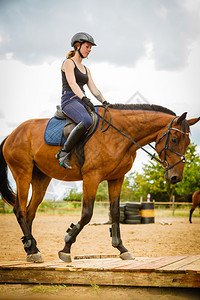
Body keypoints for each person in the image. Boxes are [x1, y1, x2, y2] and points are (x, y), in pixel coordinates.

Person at [56, 32, 109, 169]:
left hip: (80, 101)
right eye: (87, 47)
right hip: (69, 100)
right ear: (77, 46)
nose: (89, 50)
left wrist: (104, 102)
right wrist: (85, 99)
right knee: (86, 120)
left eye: (91, 48)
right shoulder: (68, 63)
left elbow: (94, 89)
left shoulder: (86, 69)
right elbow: (73, 84)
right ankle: (63, 153)